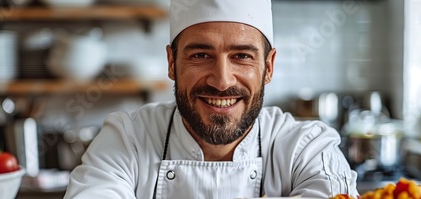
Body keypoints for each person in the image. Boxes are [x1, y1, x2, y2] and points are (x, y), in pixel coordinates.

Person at [64, 0, 359, 198]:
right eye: (201, 55)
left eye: (241, 56)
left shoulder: (306, 148)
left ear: (268, 67)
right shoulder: (127, 139)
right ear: (172, 63)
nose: (221, 80)